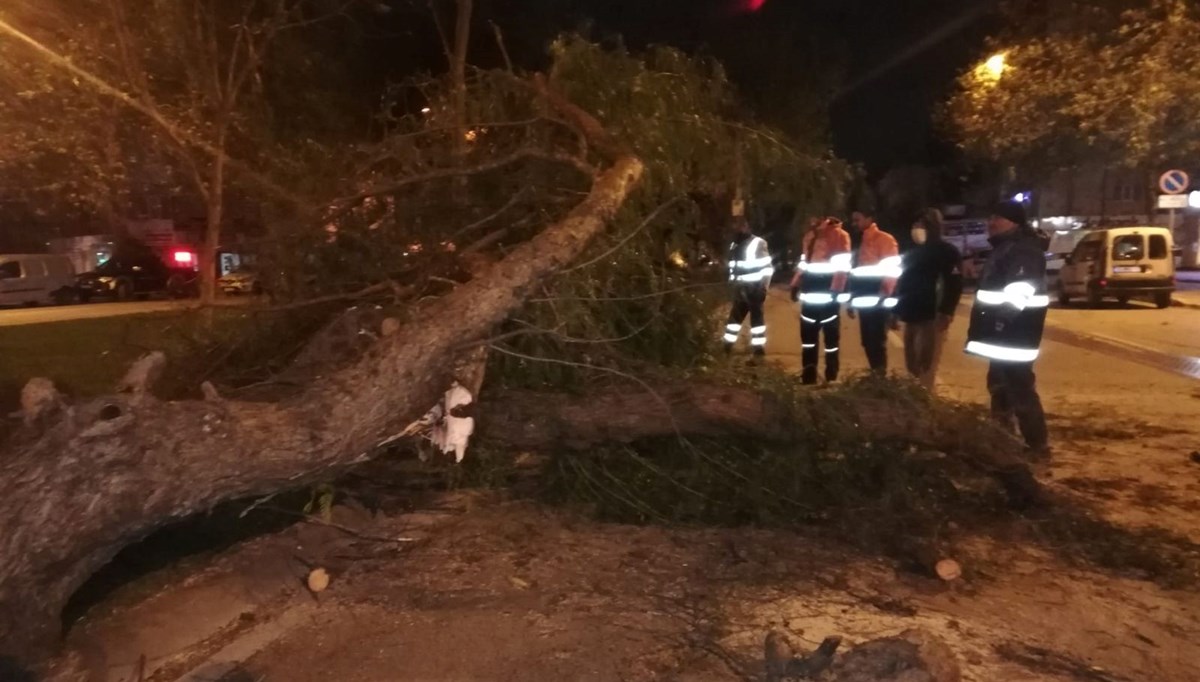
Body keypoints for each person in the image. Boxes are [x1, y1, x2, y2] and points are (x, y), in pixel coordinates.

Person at [965, 200, 1050, 456]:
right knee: (1000, 386)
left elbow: (1020, 291)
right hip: (1003, 335)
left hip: (1014, 334)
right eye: (990, 217)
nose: (991, 223)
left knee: (1019, 388)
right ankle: (1003, 440)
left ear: (1013, 222)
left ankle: (1037, 446)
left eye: (997, 218)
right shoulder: (1007, 247)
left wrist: (1001, 321)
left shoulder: (1022, 250)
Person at [895, 208, 964, 391]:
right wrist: (896, 311)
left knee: (926, 365)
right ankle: (916, 401)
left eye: (921, 225)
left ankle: (925, 404)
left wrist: (947, 311)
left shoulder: (947, 252)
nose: (916, 229)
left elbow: (954, 284)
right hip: (911, 316)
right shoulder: (912, 252)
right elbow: (903, 283)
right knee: (912, 365)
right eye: (915, 225)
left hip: (932, 317)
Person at [789, 217, 852, 384]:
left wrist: (835, 290)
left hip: (828, 295)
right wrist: (795, 284)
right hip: (810, 295)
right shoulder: (810, 236)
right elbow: (805, 262)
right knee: (808, 338)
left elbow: (842, 267)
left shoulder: (839, 236)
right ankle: (808, 374)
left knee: (831, 339)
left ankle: (831, 374)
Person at [847, 209, 901, 373]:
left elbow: (891, 272)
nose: (854, 223)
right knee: (867, 340)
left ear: (869, 218)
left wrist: (886, 296)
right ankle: (876, 375)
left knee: (877, 340)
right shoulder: (861, 241)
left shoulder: (884, 240)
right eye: (853, 220)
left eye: (858, 219)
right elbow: (855, 273)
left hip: (879, 298)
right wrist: (851, 301)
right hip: (863, 298)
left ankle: (880, 377)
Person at [723, 216, 774, 359]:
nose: (735, 230)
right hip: (740, 289)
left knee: (756, 321)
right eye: (733, 227)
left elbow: (767, 268)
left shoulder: (758, 243)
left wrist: (764, 287)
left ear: (746, 227)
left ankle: (758, 350)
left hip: (755, 289)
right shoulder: (734, 245)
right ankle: (726, 347)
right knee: (734, 320)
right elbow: (733, 267)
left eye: (738, 226)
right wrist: (731, 284)